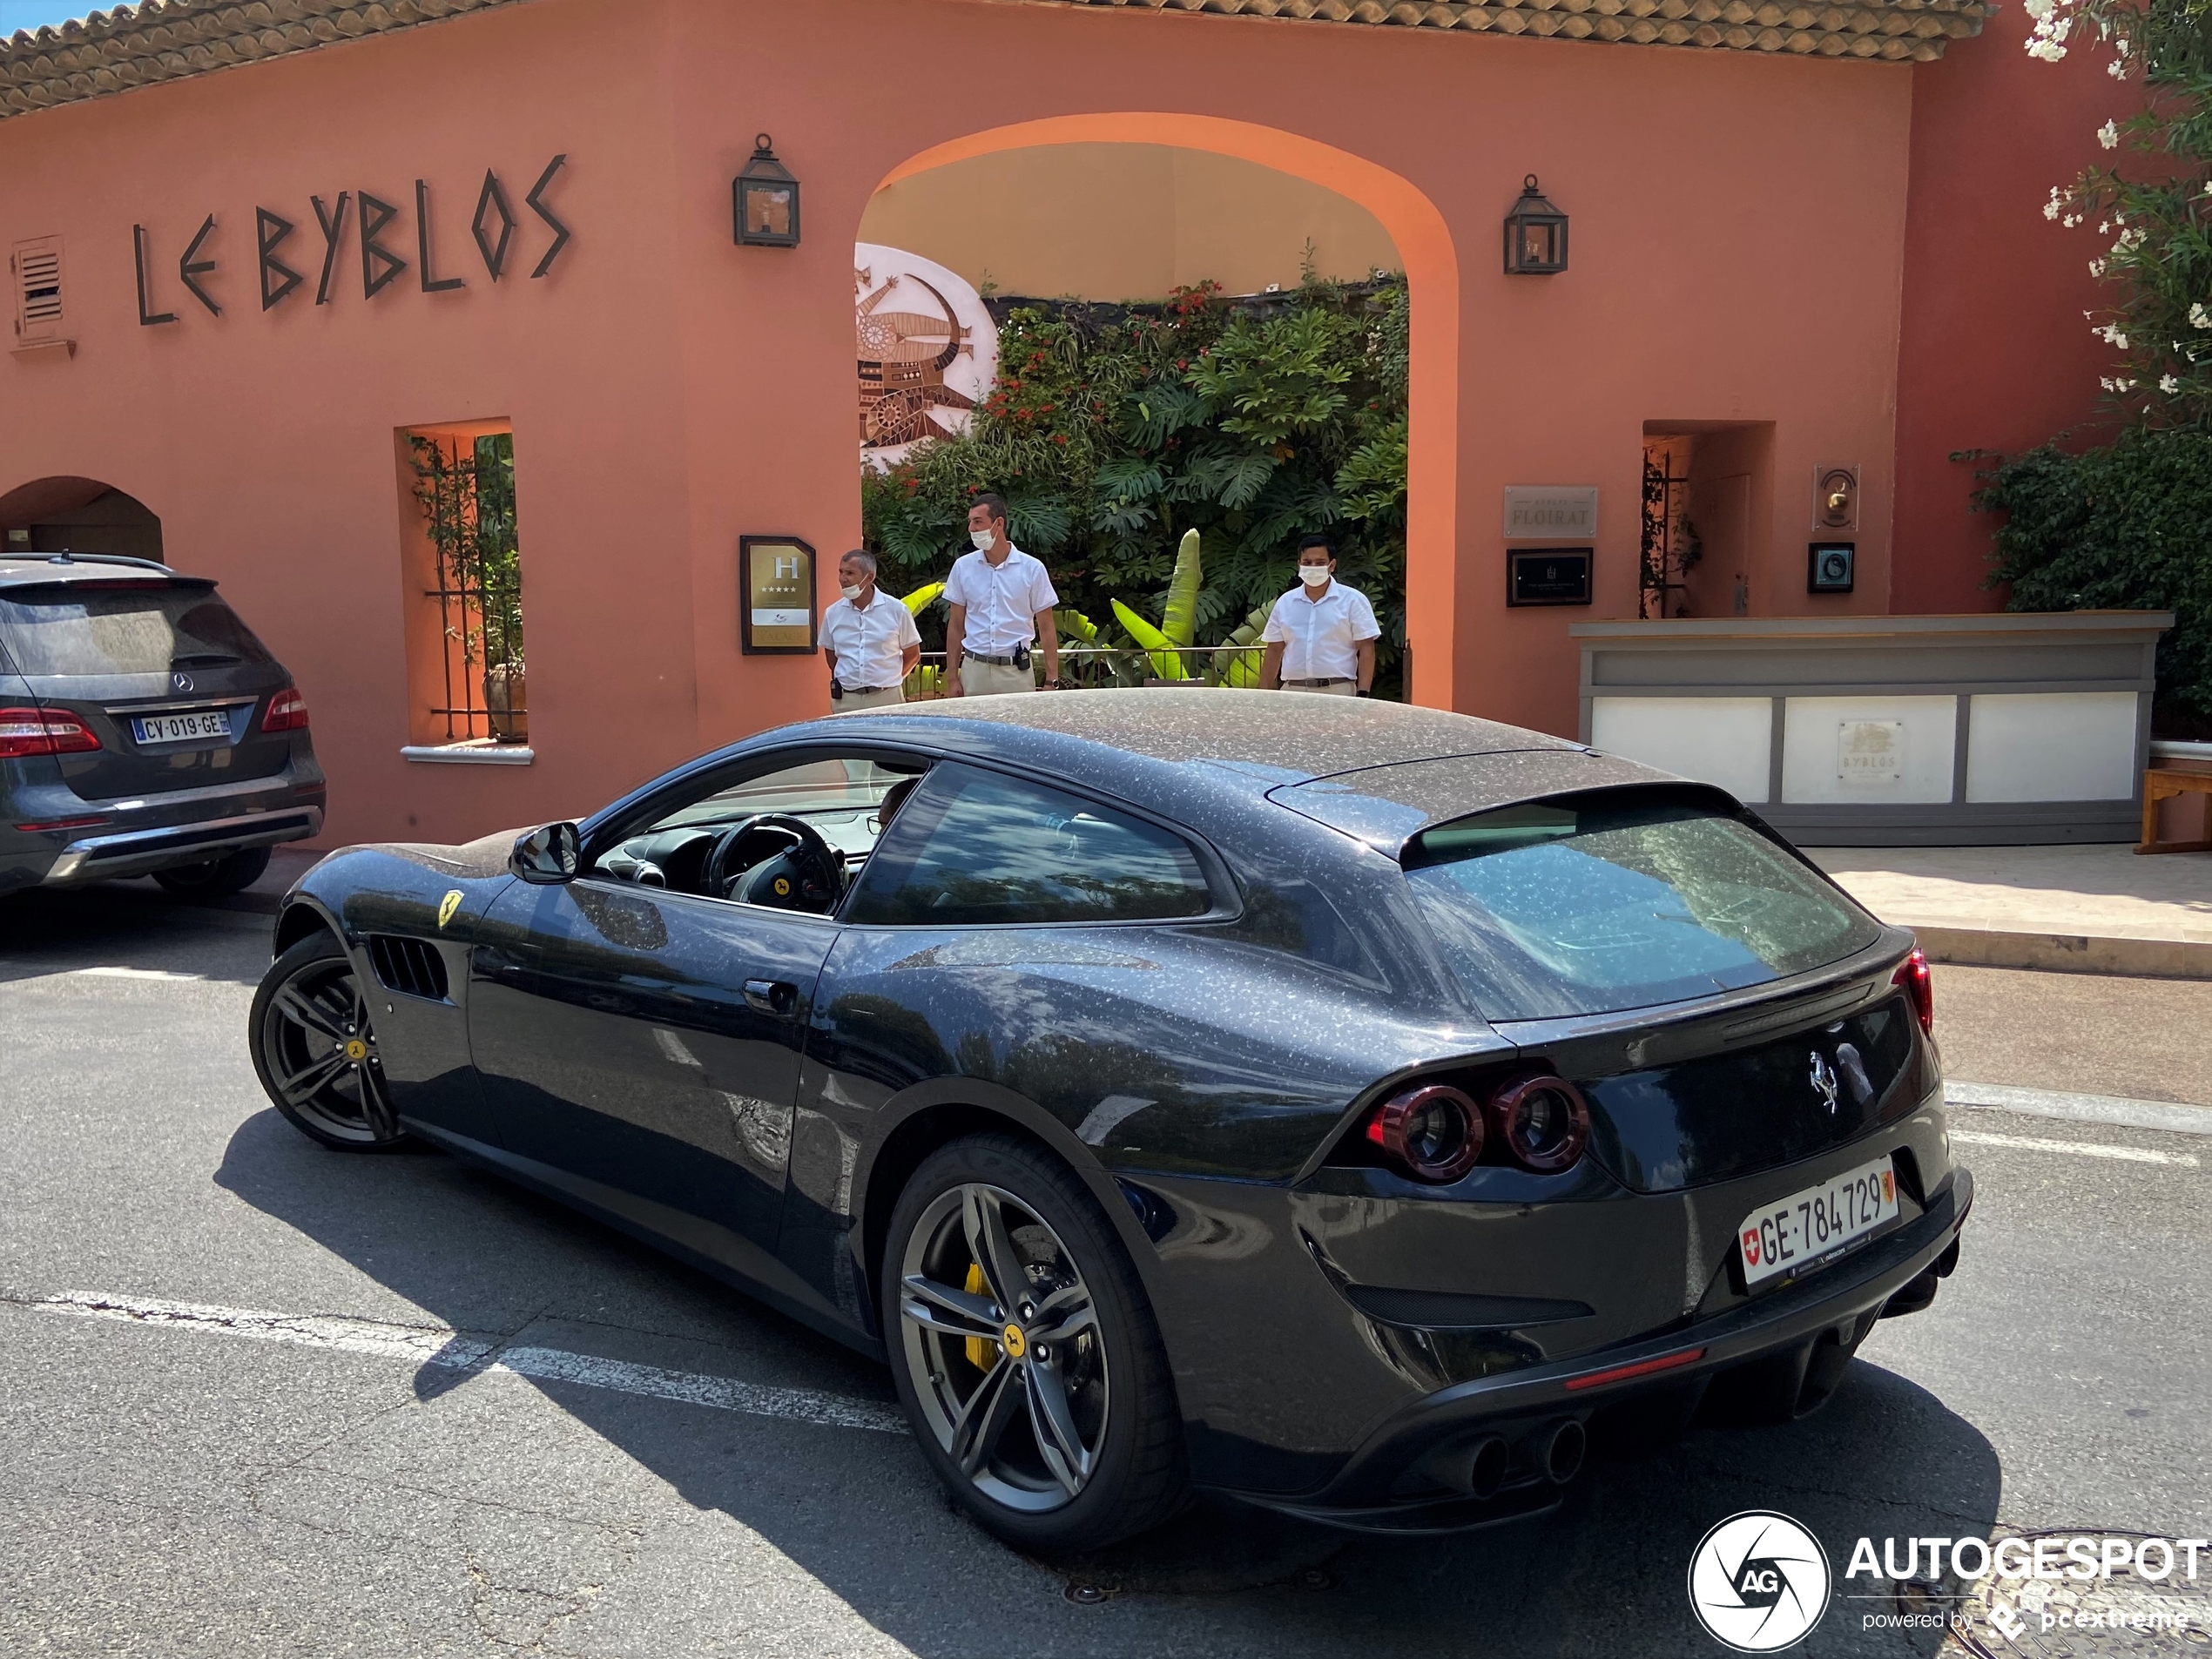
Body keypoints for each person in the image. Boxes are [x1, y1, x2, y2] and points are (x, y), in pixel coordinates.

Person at [944, 492, 1062, 696]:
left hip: (1016, 671)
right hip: (974, 670)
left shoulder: (1032, 569)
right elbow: (955, 626)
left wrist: (1052, 679)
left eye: (978, 521)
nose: (971, 528)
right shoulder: (963, 567)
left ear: (998, 524)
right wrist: (953, 678)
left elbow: (1046, 626)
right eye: (970, 522)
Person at [1260, 533, 1379, 697]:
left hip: (1338, 692)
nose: (1313, 567)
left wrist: (1363, 693)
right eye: (1307, 563)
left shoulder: (1353, 600)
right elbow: (1274, 650)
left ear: (1331, 565)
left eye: (1320, 563)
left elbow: (1366, 648)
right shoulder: (1285, 603)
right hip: (1292, 692)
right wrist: (1262, 695)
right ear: (1299, 564)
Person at [821, 549, 921, 712]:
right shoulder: (833, 613)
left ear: (869, 577)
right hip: (846, 700)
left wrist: (889, 680)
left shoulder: (897, 610)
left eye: (850, 573)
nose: (842, 579)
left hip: (886, 699)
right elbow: (832, 656)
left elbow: (913, 655)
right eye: (841, 572)